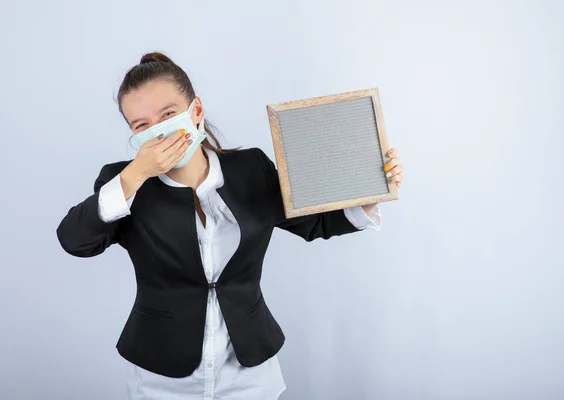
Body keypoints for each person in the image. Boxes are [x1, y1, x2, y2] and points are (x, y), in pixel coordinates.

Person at [56, 52, 403, 400]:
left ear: (196, 110)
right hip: (162, 375)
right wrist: (135, 174)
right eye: (141, 125)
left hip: (249, 370)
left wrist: (373, 190)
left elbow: (316, 222)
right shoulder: (123, 184)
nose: (158, 130)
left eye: (168, 114)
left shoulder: (250, 168)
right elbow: (75, 240)